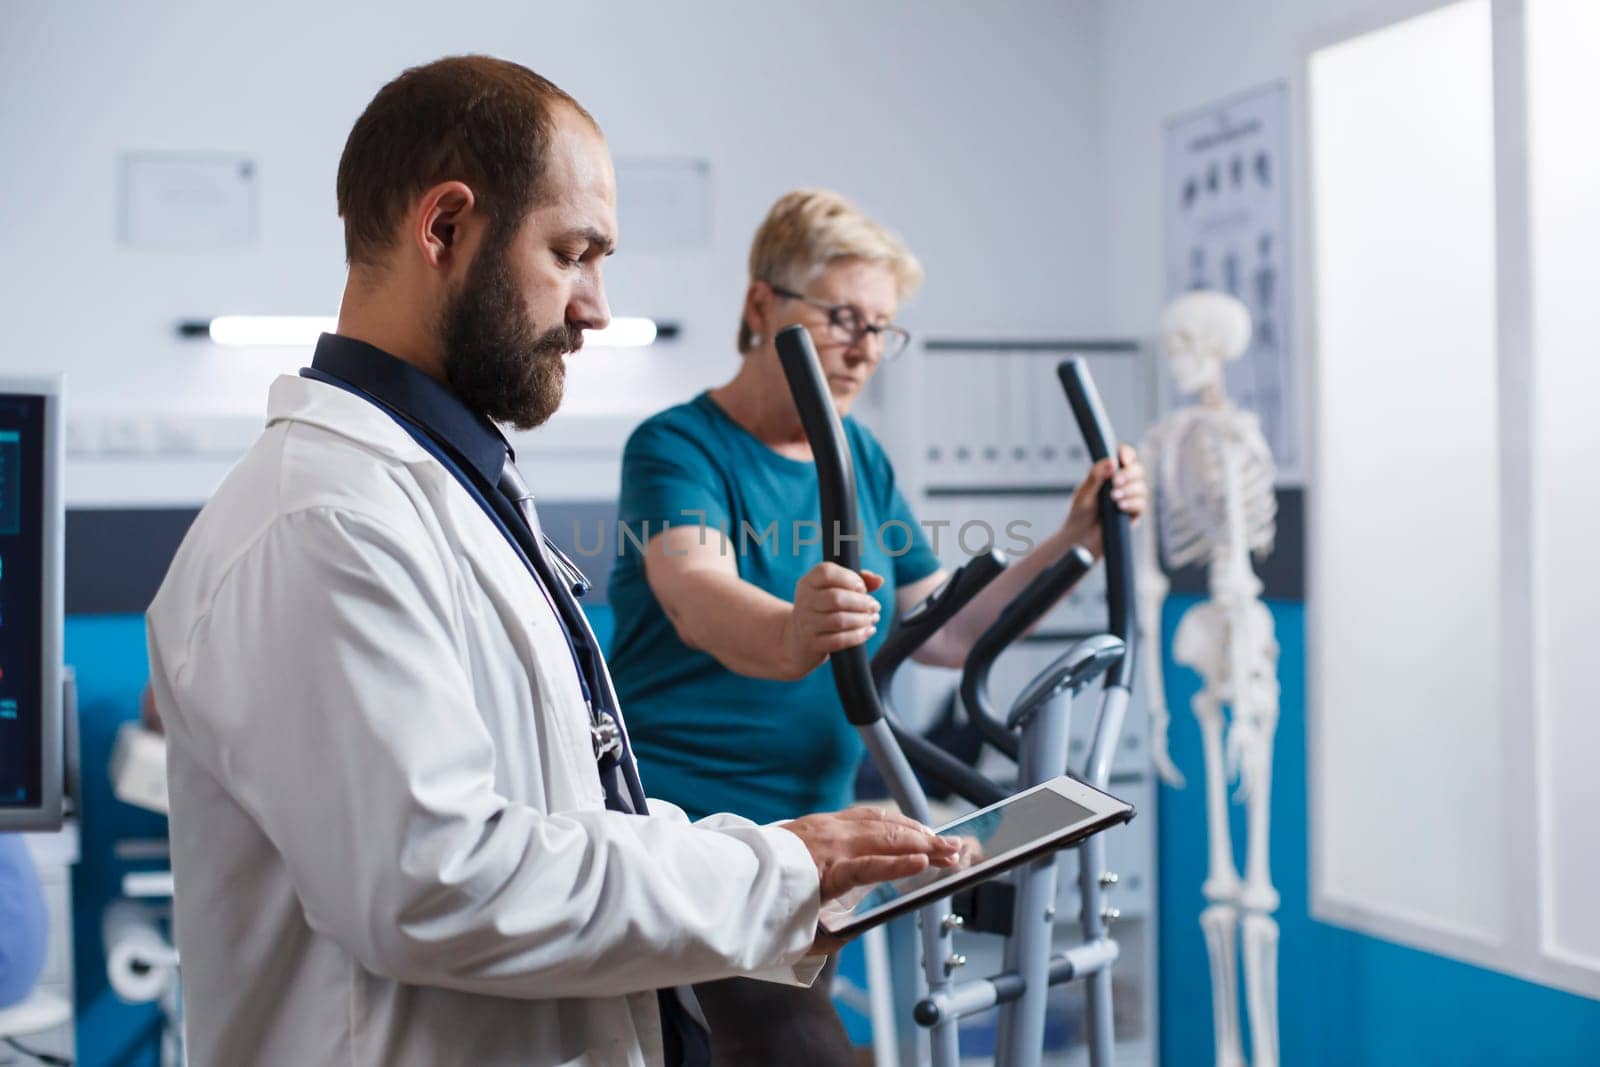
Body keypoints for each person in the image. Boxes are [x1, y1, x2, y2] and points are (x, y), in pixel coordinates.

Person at [144, 57, 958, 1067]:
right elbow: (440, 881)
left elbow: (570, 813)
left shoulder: (455, 490)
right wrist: (776, 870)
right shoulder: (323, 521)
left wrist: (777, 886)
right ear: (443, 228)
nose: (597, 307)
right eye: (573, 253)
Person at [607, 188, 1147, 1062]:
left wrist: (1073, 537)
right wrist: (793, 632)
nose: (864, 348)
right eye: (843, 317)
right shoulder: (678, 446)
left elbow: (945, 629)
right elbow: (692, 592)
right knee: (798, 1049)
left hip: (817, 845)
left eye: (881, 328)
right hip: (696, 839)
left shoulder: (859, 453)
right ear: (760, 307)